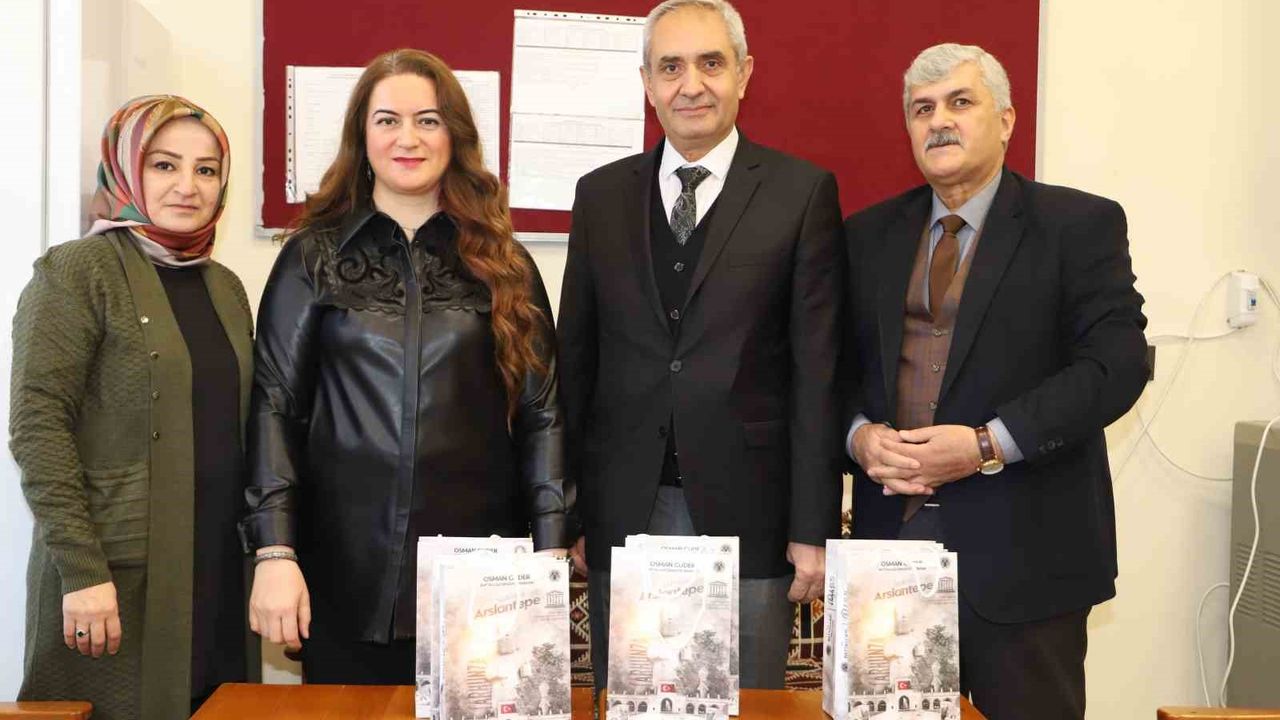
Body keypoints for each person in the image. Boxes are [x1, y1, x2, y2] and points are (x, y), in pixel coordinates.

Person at [240, 48, 572, 684]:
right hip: (343, 573)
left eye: (428, 120)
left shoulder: (506, 264)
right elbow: (275, 407)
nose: (408, 138)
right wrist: (274, 550)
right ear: (361, 138)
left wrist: (551, 548)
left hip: (483, 580)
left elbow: (543, 415)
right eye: (387, 120)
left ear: (455, 136)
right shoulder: (311, 257)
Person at [841, 43, 1148, 719]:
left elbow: (1116, 366)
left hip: (1028, 557)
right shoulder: (866, 236)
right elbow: (832, 372)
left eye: (960, 102)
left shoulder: (1078, 225)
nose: (939, 122)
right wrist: (859, 436)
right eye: (922, 109)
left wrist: (987, 445)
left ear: (1006, 120)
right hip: (892, 550)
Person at [557, 0, 843, 691]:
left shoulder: (801, 193)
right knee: (633, 695)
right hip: (624, 509)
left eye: (711, 63)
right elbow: (576, 363)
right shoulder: (599, 197)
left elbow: (818, 372)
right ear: (647, 83)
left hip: (754, 514)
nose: (692, 84)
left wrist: (812, 526)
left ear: (744, 73)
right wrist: (569, 510)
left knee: (748, 702)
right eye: (671, 67)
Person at [10, 95, 254, 718]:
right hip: (114, 578)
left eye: (206, 170)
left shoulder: (224, 286)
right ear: (124, 169)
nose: (187, 186)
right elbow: (38, 425)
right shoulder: (76, 271)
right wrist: (82, 570)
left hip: (217, 570)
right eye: (164, 164)